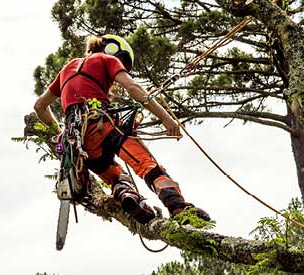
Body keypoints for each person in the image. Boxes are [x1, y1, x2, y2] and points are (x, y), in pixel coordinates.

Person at [34, 34, 210, 224]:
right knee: (147, 165)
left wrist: (61, 132)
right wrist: (166, 119)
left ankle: (129, 198)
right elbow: (133, 88)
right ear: (113, 50)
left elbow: (39, 107)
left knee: (116, 176)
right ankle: (178, 208)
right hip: (104, 125)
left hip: (80, 144)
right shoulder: (107, 59)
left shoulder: (66, 69)